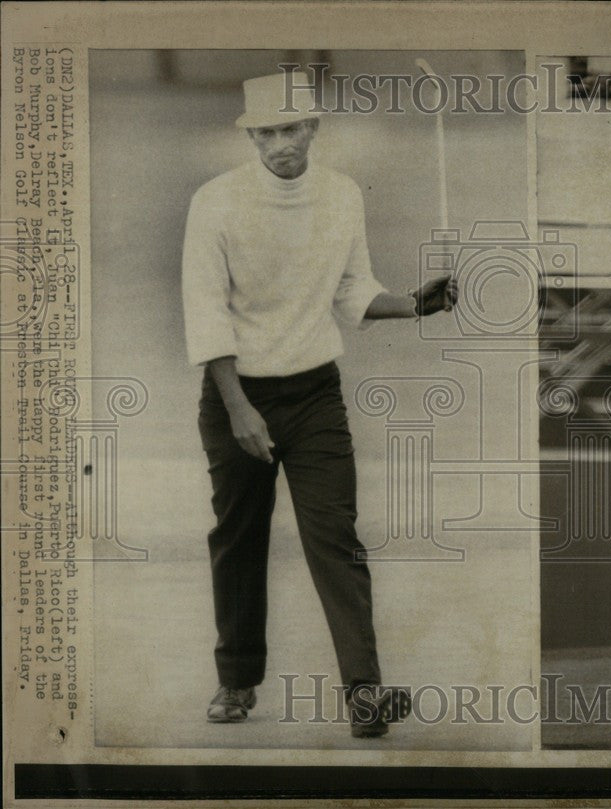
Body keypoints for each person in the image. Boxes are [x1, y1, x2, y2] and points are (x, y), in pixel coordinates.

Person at [181, 71, 457, 738]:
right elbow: (205, 310)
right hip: (235, 395)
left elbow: (354, 290)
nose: (280, 143)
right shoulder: (215, 202)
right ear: (252, 135)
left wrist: (418, 303)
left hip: (314, 395)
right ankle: (236, 680)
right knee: (238, 539)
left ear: (313, 129)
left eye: (291, 128)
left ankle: (365, 693)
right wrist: (241, 408)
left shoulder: (340, 195)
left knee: (335, 538)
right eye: (266, 131)